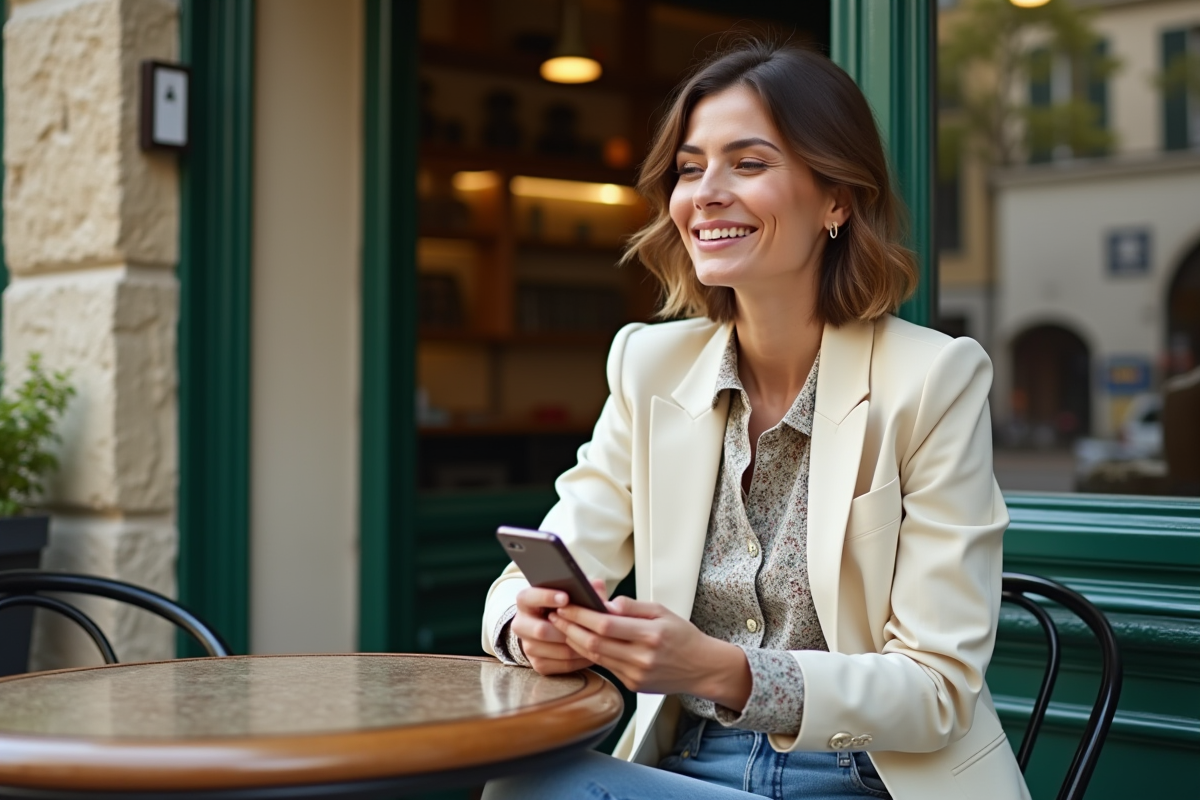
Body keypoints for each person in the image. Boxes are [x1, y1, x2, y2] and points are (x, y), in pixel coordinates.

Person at [481, 38, 1029, 800]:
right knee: (520, 788)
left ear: (837, 199)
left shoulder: (933, 377)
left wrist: (714, 669)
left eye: (748, 163)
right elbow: (528, 573)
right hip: (688, 758)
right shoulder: (649, 366)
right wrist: (529, 626)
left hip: (862, 773)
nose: (705, 192)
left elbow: (938, 688)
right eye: (689, 167)